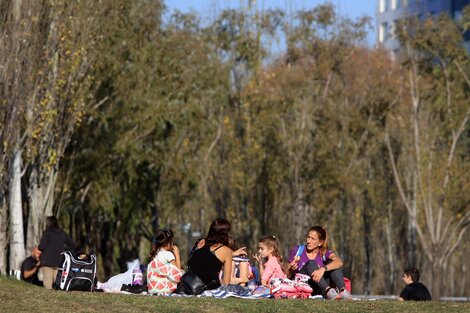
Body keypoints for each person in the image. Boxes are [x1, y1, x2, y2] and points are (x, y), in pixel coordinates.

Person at [287, 226, 351, 300]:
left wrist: (322, 269)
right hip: (304, 287)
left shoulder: (323, 253)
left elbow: (339, 262)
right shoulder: (298, 250)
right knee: (311, 263)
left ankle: (343, 291)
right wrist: (291, 269)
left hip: (319, 289)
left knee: (333, 263)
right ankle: (329, 291)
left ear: (320, 243)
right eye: (308, 237)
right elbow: (287, 276)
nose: (308, 241)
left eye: (312, 239)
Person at [176, 218, 233, 293]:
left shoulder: (200, 242)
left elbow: (203, 259)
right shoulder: (226, 251)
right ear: (225, 234)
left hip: (186, 283)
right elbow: (226, 282)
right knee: (238, 289)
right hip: (206, 288)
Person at [38, 216, 75, 289]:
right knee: (58, 286)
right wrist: (64, 250)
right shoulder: (62, 233)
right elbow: (73, 244)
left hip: (47, 262)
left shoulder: (47, 233)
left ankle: (48, 300)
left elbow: (41, 247)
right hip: (59, 262)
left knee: (48, 287)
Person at [147, 228, 184, 294]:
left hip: (153, 287)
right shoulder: (168, 254)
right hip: (165, 287)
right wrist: (177, 254)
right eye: (172, 241)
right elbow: (178, 272)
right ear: (168, 243)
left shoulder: (155, 253)